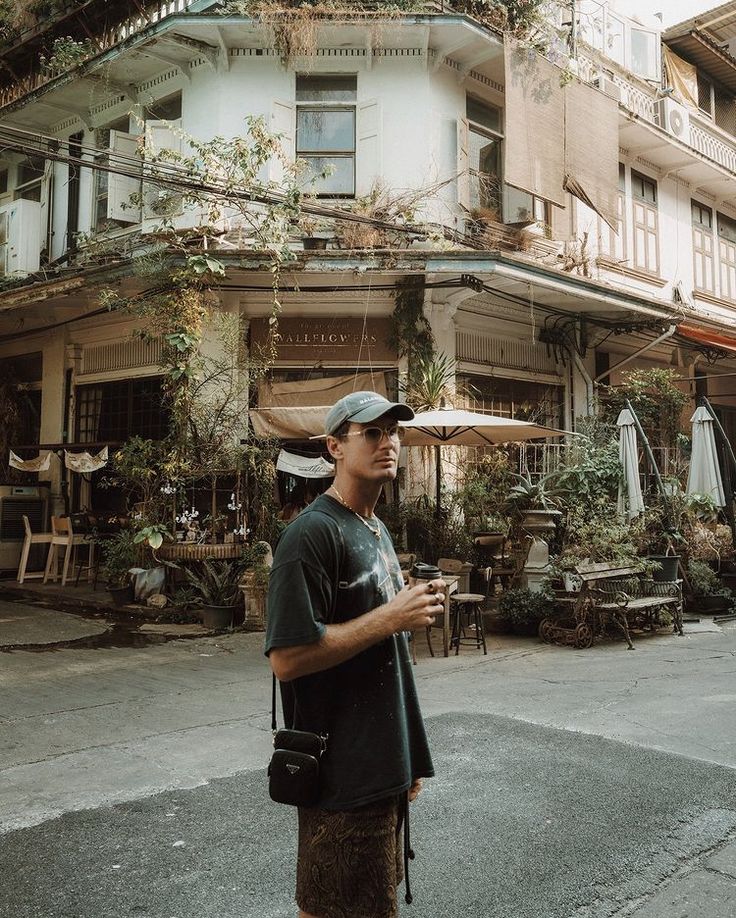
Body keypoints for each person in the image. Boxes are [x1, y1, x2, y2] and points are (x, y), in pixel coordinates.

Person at [265, 391, 445, 918]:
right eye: (371, 432)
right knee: (331, 908)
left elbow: (384, 658)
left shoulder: (376, 528)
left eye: (394, 431)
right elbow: (288, 658)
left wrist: (407, 755)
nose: (388, 441)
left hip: (380, 765)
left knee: (369, 904)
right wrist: (391, 616)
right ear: (333, 447)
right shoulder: (309, 536)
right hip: (341, 774)